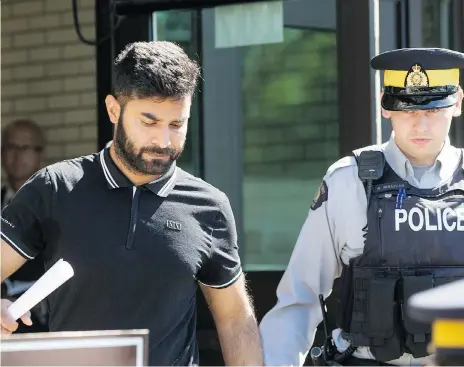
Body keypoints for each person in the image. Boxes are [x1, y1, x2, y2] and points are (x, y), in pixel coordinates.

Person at [0, 41, 263, 366]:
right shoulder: (56, 187)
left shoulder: (210, 208)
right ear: (114, 110)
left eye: (177, 125)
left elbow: (235, 319)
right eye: (149, 122)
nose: (164, 141)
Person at [259, 47, 464, 366]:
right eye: (408, 110)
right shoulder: (348, 181)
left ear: (458, 103)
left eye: (433, 110)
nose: (421, 125)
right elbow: (300, 299)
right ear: (385, 105)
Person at [1, 118, 48, 333]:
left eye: (25, 148)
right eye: (11, 147)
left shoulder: (54, 203)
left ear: (40, 154)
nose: (17, 155)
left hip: (41, 323)